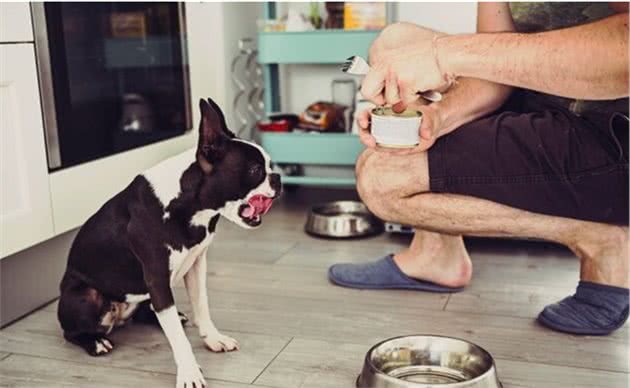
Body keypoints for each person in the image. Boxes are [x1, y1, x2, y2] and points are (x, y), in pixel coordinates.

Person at [328, 2, 629, 335]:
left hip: (610, 131)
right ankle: (436, 255)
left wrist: (444, 56)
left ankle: (602, 240)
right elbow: (497, 77)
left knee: (382, 180)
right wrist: (437, 120)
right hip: (545, 103)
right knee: (397, 43)